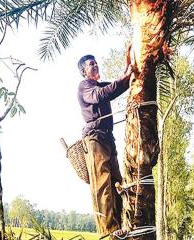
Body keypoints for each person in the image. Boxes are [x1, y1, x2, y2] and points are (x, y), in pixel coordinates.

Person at [77, 54, 132, 239]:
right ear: (84, 71)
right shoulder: (85, 87)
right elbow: (101, 94)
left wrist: (129, 75)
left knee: (116, 181)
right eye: (91, 65)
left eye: (96, 63)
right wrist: (124, 79)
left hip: (107, 138)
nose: (95, 66)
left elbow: (115, 87)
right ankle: (109, 230)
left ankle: (120, 224)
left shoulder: (99, 86)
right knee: (103, 184)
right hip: (95, 139)